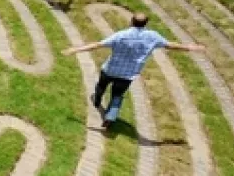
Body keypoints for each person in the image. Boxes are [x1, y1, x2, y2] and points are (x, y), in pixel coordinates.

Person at [63, 12, 205, 128]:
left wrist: (75, 49)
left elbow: (97, 45)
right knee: (117, 96)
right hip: (128, 74)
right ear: (146, 23)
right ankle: (110, 117)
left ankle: (97, 99)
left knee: (101, 85)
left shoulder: (121, 35)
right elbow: (170, 45)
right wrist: (190, 47)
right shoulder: (152, 37)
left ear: (131, 21)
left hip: (111, 69)